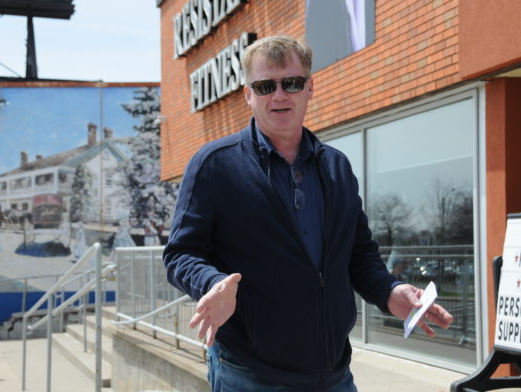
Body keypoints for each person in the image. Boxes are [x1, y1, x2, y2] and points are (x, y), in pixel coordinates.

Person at [163, 35, 453, 392]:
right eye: (265, 85)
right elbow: (180, 254)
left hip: (333, 374)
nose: (280, 95)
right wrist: (211, 282)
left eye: (292, 83)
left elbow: (359, 254)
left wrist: (390, 291)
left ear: (310, 87)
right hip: (249, 375)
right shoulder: (214, 165)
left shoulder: (336, 167)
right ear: (248, 94)